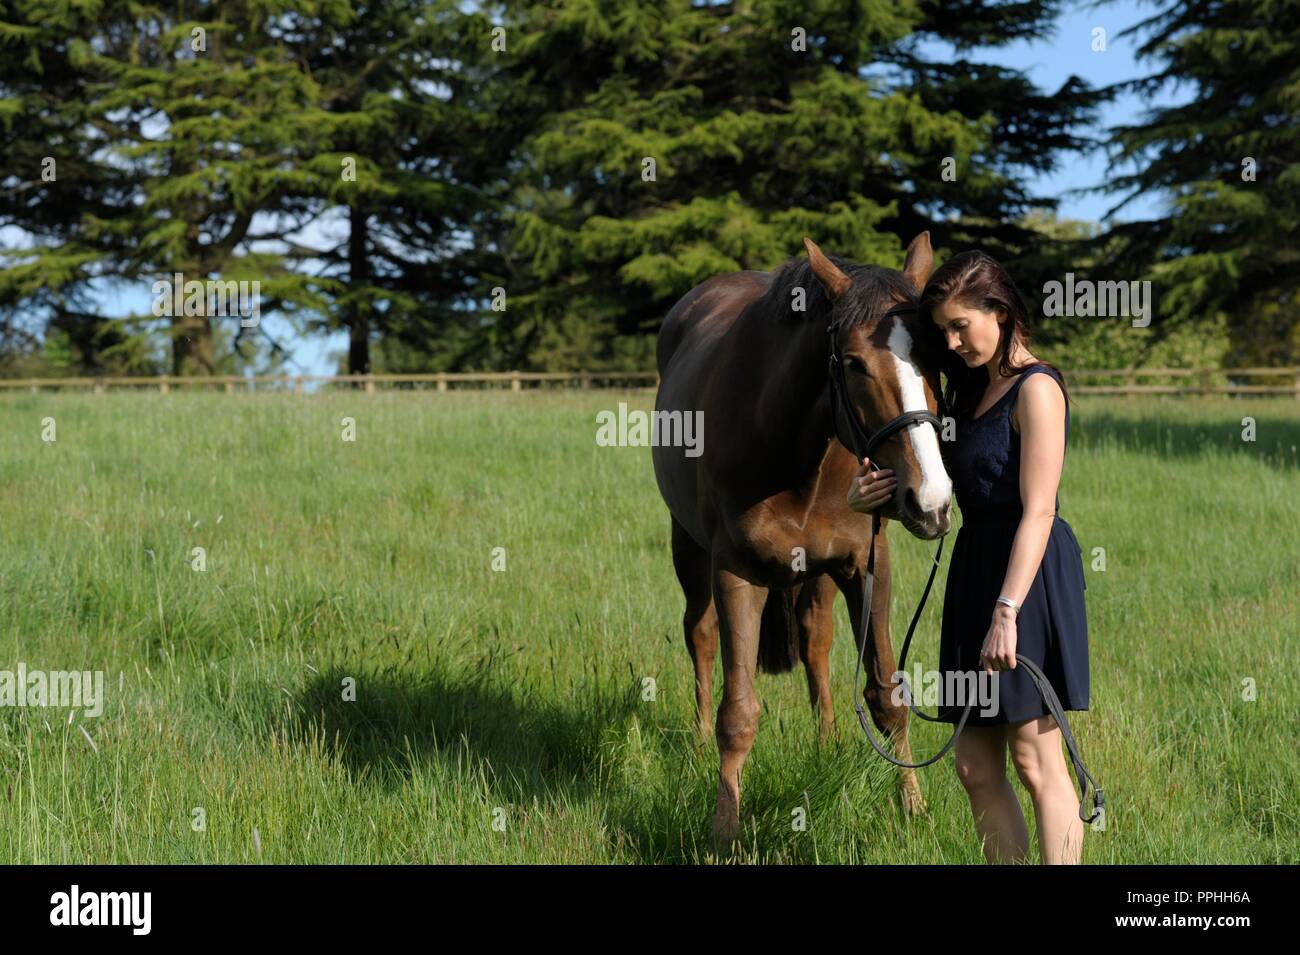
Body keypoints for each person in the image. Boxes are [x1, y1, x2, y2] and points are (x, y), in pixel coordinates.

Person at [847, 250, 1090, 864]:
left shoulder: (1037, 389)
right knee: (973, 762)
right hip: (973, 568)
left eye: (962, 327)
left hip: (1026, 575)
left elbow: (1040, 510)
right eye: (944, 331)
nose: (952, 342)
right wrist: (869, 497)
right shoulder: (968, 394)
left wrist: (1007, 610)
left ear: (1000, 311)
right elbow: (938, 492)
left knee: (1035, 760)